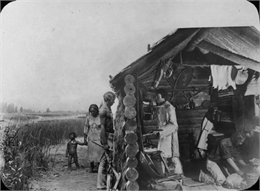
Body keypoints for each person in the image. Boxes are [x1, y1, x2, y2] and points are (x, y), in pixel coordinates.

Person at [155, 89, 183, 175]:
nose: (156, 98)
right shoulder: (161, 106)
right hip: (163, 136)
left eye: (158, 96)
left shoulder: (169, 107)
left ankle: (179, 176)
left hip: (169, 137)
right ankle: (164, 176)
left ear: (163, 97)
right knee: (162, 156)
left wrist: (160, 131)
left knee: (173, 157)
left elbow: (174, 125)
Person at [97, 91, 116, 190]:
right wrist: (104, 142)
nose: (114, 102)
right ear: (109, 99)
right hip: (106, 135)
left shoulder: (108, 108)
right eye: (113, 100)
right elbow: (103, 127)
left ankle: (102, 184)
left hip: (109, 135)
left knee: (105, 159)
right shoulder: (103, 110)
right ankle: (101, 184)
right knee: (105, 160)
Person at [84, 104, 103, 172]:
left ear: (97, 111)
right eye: (91, 111)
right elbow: (86, 128)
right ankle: (91, 167)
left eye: (94, 111)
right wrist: (85, 139)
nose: (92, 112)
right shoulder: (88, 118)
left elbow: (103, 128)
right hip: (91, 138)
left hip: (99, 137)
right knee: (91, 152)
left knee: (99, 152)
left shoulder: (100, 117)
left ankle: (99, 168)